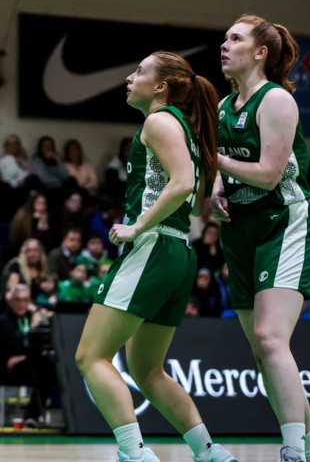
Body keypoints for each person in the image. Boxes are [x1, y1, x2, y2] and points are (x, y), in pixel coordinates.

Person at [74, 52, 235, 462]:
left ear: (161, 87)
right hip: (178, 251)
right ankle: (208, 452)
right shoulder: (182, 126)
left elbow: (182, 183)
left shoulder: (159, 121)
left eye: (140, 72)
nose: (130, 77)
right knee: (147, 370)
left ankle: (134, 452)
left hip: (155, 245)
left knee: (90, 356)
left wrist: (137, 227)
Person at [212, 14, 310, 462]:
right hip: (239, 229)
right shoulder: (221, 108)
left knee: (272, 338)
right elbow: (223, 170)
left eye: (235, 38)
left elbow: (271, 175)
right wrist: (216, 188)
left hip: (282, 222)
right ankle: (305, 445)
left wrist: (214, 160)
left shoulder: (276, 101)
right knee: (261, 352)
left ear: (260, 52)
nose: (224, 45)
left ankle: (291, 449)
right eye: (224, 38)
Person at [0, 284, 56, 427]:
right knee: (43, 370)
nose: (22, 304)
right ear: (10, 301)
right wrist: (32, 329)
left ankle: (34, 416)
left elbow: (36, 346)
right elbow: (17, 345)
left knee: (48, 368)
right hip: (5, 368)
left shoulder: (30, 317)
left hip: (27, 363)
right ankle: (33, 416)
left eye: (25, 300)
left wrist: (25, 356)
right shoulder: (2, 321)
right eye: (18, 300)